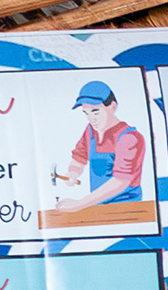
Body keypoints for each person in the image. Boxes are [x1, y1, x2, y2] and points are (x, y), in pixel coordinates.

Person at [60, 82, 146, 210]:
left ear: (112, 106)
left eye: (96, 112)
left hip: (126, 206)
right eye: (86, 113)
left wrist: (79, 204)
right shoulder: (90, 131)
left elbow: (120, 181)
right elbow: (79, 156)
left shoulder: (130, 138)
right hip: (98, 204)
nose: (91, 119)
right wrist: (73, 172)